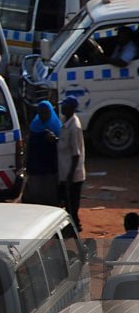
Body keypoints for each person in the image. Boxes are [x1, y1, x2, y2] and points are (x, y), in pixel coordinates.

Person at [23, 100, 61, 206]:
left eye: (45, 112)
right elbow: (30, 148)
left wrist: (55, 140)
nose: (43, 115)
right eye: (40, 112)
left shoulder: (56, 126)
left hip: (51, 169)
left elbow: (63, 146)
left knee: (50, 196)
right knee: (35, 197)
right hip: (36, 169)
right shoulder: (34, 126)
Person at [58, 96, 86, 231]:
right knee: (67, 202)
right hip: (65, 171)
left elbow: (76, 154)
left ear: (71, 108)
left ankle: (75, 227)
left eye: (64, 106)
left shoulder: (74, 126)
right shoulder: (65, 121)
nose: (62, 108)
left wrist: (70, 176)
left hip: (73, 174)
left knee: (72, 204)